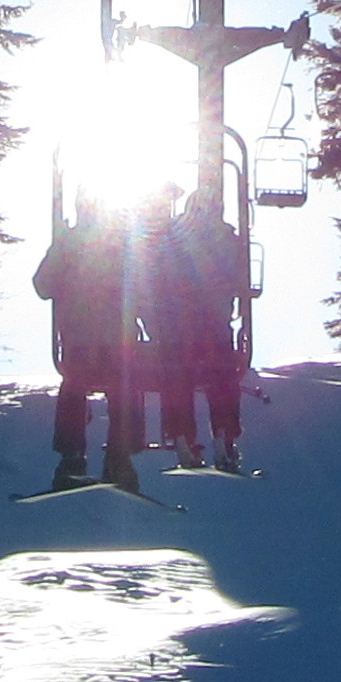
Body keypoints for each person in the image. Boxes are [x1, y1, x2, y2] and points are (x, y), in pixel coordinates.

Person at [31, 197, 133, 491]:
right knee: (123, 392)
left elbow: (43, 285)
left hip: (80, 336)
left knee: (75, 389)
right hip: (113, 338)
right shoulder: (119, 246)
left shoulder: (68, 244)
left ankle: (73, 456)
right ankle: (119, 456)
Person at [152, 189, 247, 472]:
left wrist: (155, 320)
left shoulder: (171, 237)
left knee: (177, 381)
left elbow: (155, 277)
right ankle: (224, 438)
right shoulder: (228, 239)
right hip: (214, 324)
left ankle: (182, 439)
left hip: (177, 327)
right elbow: (237, 277)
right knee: (222, 380)